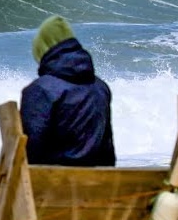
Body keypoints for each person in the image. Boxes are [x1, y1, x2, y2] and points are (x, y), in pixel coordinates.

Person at [21, 15, 116, 167]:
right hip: (97, 180)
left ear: (42, 47)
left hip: (51, 180)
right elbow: (107, 153)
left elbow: (31, 152)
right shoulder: (100, 87)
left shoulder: (41, 89)